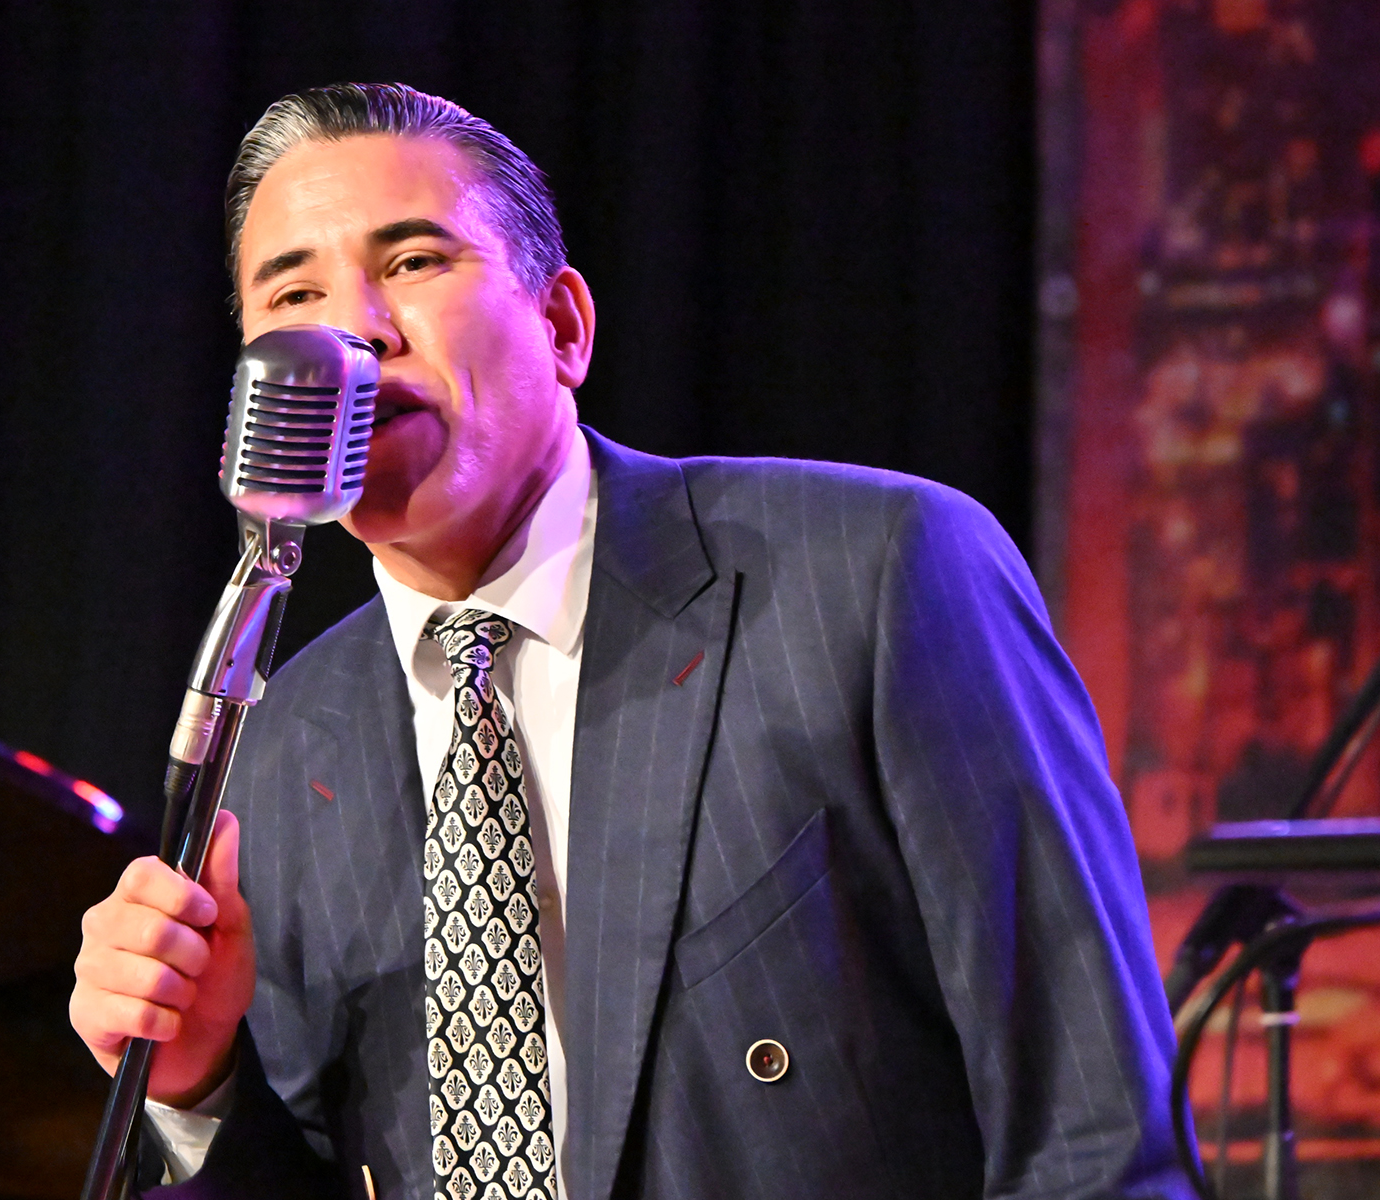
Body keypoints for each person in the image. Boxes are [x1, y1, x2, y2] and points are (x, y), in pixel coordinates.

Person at [70, 82, 1190, 1200]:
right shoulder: (281, 745)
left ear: (562, 326)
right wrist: (199, 1082)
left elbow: (1091, 1137)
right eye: (295, 294)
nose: (355, 330)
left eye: (412, 262)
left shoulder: (875, 574)